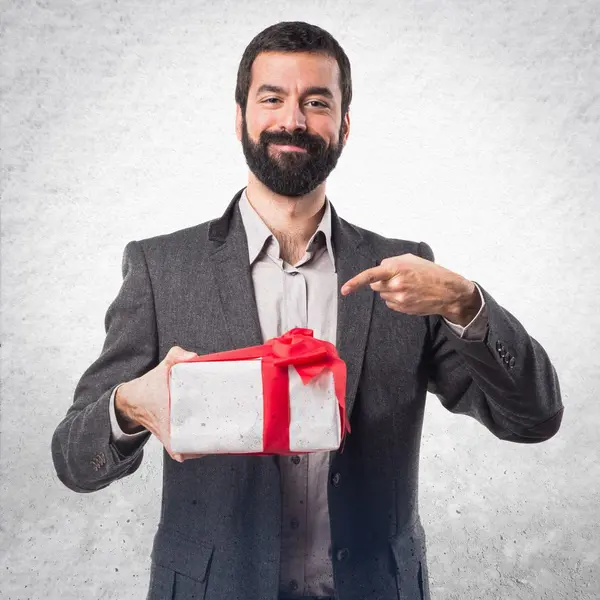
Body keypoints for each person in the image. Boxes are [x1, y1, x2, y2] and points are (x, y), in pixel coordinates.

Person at [51, 21, 563, 600]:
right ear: (240, 114)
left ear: (344, 125)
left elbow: (532, 420)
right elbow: (73, 459)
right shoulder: (162, 269)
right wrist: (126, 407)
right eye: (272, 98)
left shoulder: (408, 276)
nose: (292, 120)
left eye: (316, 102)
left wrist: (466, 303)